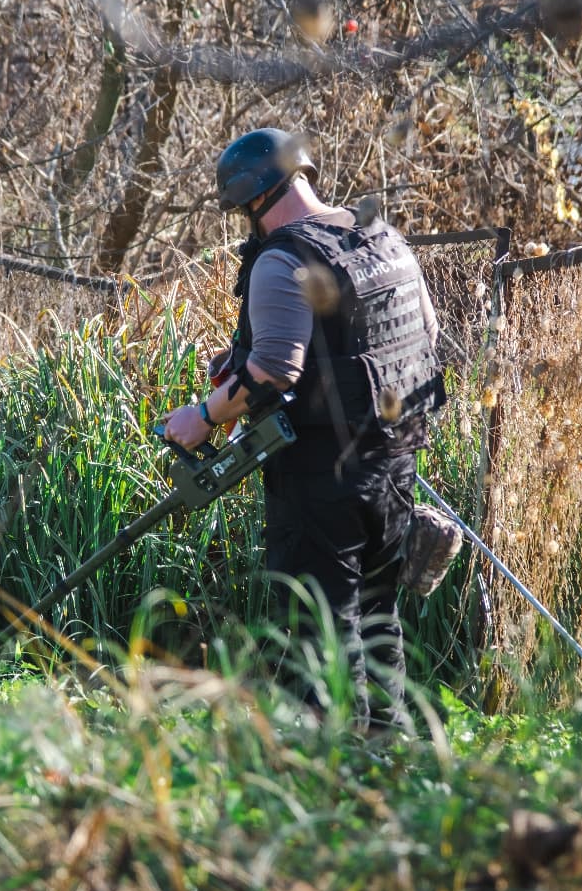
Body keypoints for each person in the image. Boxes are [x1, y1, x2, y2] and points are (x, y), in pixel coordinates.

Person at [161, 128, 446, 733]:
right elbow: (423, 329)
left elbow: (271, 371)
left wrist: (203, 416)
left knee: (320, 628)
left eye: (242, 211)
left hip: (322, 476)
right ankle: (386, 757)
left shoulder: (281, 258)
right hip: (394, 460)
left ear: (254, 200)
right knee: (378, 617)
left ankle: (329, 773)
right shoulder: (382, 236)